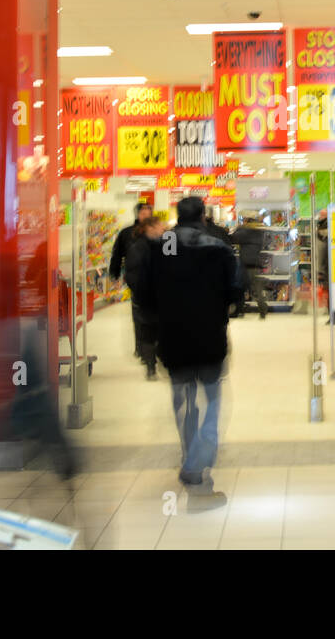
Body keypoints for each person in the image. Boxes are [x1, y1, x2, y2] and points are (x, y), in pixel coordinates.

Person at [127, 196, 241, 500]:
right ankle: (201, 455)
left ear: (177, 216)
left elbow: (144, 292)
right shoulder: (217, 247)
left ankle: (190, 455)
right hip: (210, 339)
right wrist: (222, 309)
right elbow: (236, 289)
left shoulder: (162, 247)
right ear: (203, 216)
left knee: (183, 399)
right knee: (212, 397)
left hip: (173, 339)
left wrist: (156, 323)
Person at [109, 201, 153, 361]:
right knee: (139, 314)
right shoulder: (127, 233)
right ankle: (141, 347)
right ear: (137, 214)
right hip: (136, 280)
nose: (145, 215)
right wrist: (114, 274)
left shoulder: (158, 231)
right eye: (142, 212)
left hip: (156, 280)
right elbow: (117, 254)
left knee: (153, 315)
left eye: (148, 212)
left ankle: (151, 348)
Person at [125, 216, 165, 380]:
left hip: (156, 297)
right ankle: (151, 365)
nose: (163, 230)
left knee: (154, 331)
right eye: (160, 227)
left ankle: (155, 363)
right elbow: (132, 274)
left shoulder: (165, 245)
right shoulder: (138, 247)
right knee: (149, 331)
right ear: (150, 228)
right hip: (147, 297)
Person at [229, 213, 270, 319]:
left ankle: (240, 309)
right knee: (256, 288)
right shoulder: (258, 231)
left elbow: (234, 238)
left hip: (246, 262)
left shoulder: (245, 231)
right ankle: (263, 309)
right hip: (255, 262)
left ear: (247, 220)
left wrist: (238, 228)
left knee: (241, 287)